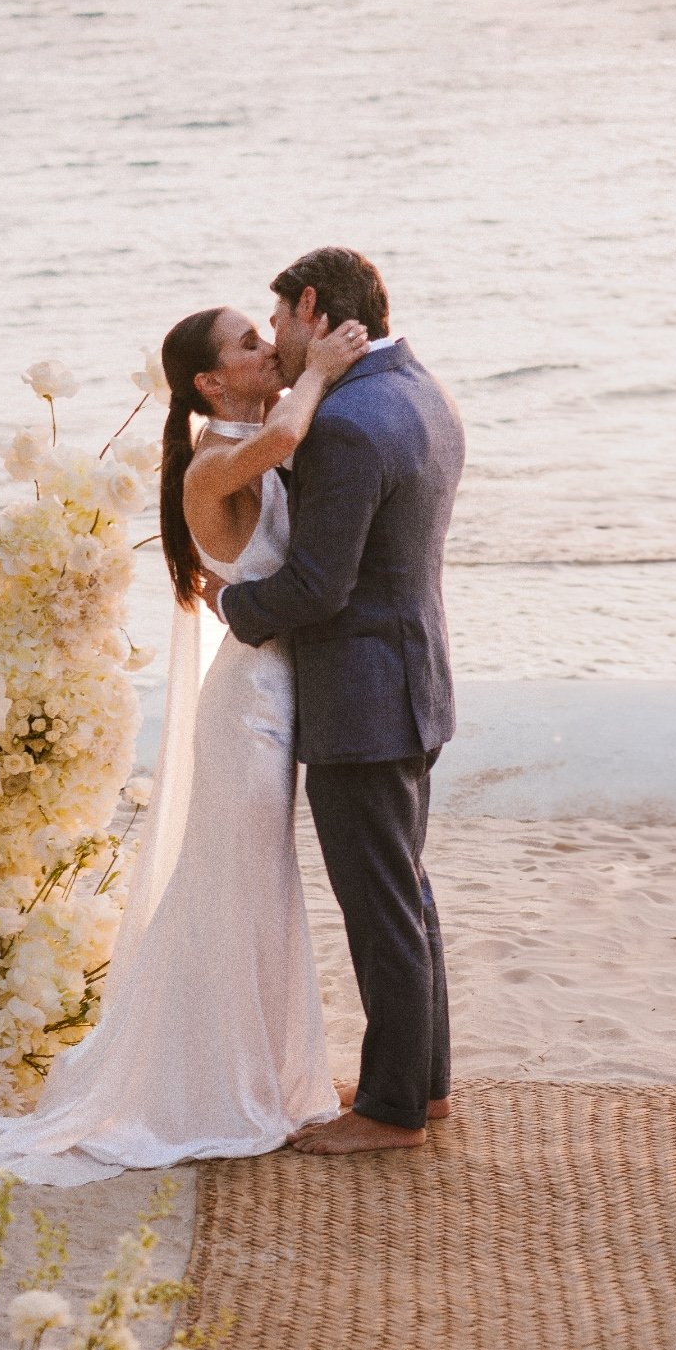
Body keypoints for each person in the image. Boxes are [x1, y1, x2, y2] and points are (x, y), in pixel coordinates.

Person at [0, 304, 369, 1205]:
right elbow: (288, 431)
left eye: (264, 335)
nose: (267, 348)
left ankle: (261, 1074)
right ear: (209, 383)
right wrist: (320, 366)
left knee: (256, 890)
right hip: (250, 710)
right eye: (249, 343)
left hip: (270, 694)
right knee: (241, 888)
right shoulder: (214, 461)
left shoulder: (241, 441)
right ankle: (221, 1087)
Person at [205, 246, 465, 1156]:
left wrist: (232, 604)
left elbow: (317, 586)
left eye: (277, 321)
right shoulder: (420, 387)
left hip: (363, 695)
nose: (276, 342)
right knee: (406, 891)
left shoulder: (349, 424)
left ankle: (391, 1111)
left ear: (310, 306)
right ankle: (421, 1085)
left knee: (381, 903)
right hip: (415, 678)